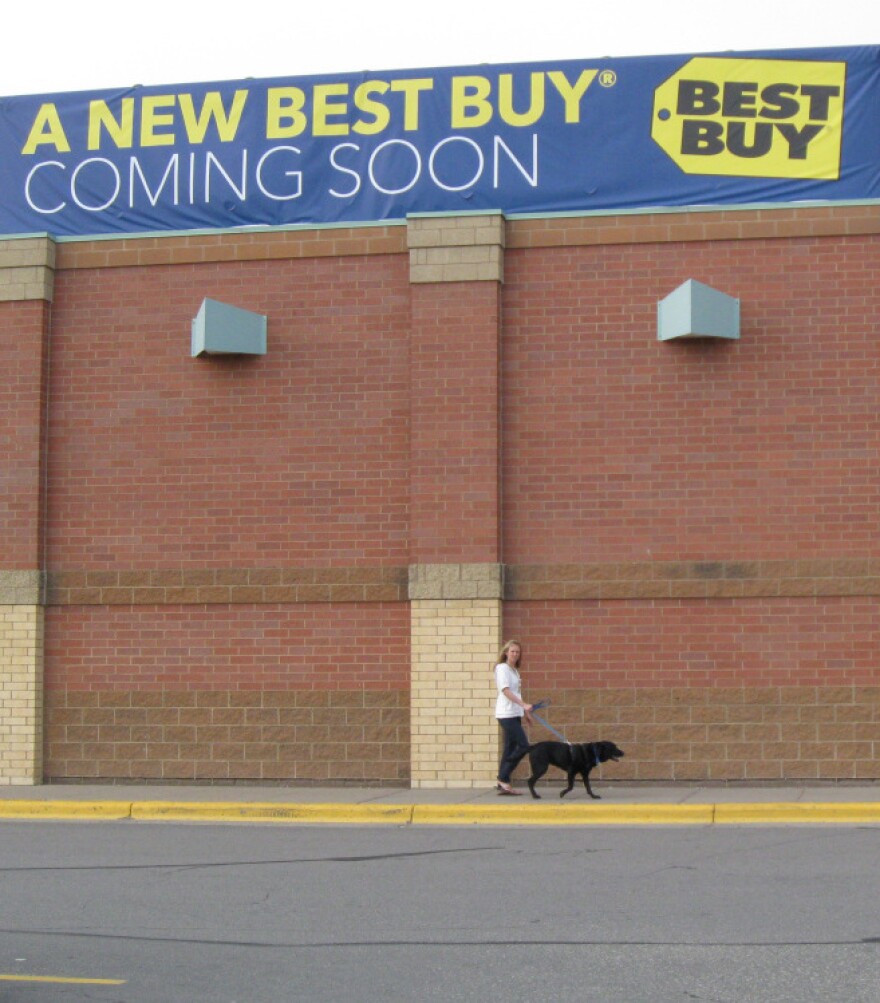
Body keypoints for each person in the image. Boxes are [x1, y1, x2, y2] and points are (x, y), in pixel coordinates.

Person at [494, 639, 534, 795]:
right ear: (506, 653)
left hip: (515, 713)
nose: (515, 654)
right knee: (523, 745)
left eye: (517, 652)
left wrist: (526, 713)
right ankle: (503, 777)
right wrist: (524, 705)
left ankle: (503, 783)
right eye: (512, 651)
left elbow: (517, 693)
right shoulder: (502, 668)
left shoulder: (515, 671)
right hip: (505, 714)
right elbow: (505, 691)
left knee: (509, 749)